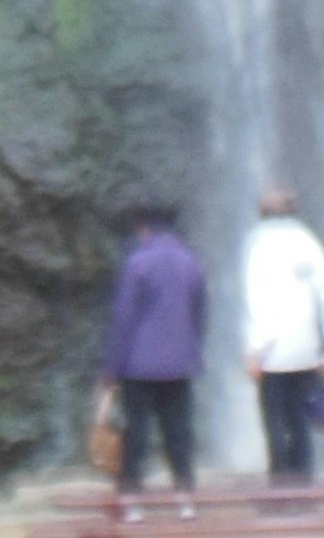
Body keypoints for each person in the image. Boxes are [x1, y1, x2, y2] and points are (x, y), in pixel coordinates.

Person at [103, 204, 207, 506]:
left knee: (136, 430)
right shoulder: (191, 263)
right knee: (178, 430)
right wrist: (192, 350)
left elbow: (124, 320)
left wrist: (112, 367)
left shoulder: (137, 264)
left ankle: (132, 496)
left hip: (139, 365)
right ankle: (185, 494)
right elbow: (200, 314)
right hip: (179, 364)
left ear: (144, 228)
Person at [238, 186, 324, 487]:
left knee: (275, 425)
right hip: (306, 350)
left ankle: (282, 490)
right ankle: (304, 484)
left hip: (272, 354)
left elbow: (255, 300)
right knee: (300, 422)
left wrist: (254, 349)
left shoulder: (257, 243)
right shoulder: (310, 242)